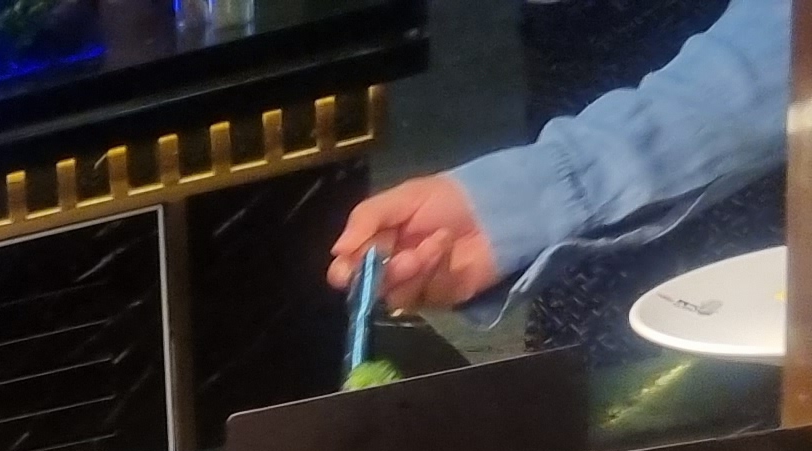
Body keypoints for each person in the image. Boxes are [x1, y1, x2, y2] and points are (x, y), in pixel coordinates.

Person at [328, 0, 784, 312]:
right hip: (573, 53)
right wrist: (520, 201)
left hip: (731, 122)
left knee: (719, 345)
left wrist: (555, 188)